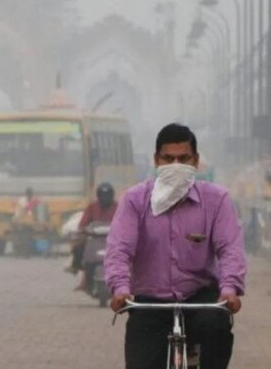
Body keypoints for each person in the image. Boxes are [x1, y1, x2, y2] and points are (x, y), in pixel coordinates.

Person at [105, 123, 246, 369]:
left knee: (217, 330)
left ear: (196, 161)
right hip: (150, 300)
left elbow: (230, 249)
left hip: (200, 296)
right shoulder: (135, 200)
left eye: (183, 159)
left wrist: (230, 288)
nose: (176, 165)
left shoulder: (217, 200)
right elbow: (119, 249)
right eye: (168, 159)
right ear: (156, 160)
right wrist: (120, 288)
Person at [70, 182, 117, 291]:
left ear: (112, 195)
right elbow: (83, 223)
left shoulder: (118, 207)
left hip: (114, 238)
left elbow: (126, 221)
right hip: (95, 238)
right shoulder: (92, 207)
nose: (105, 198)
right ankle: (76, 266)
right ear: (98, 196)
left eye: (107, 195)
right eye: (102, 195)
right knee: (78, 245)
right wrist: (83, 230)